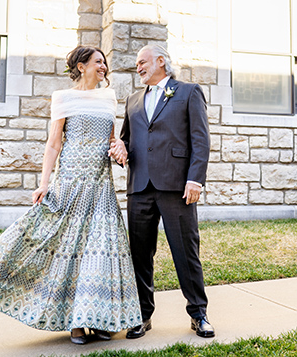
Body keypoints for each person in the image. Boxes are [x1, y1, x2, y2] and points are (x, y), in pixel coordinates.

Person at [0, 45, 141, 345]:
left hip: (100, 185)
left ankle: (96, 319)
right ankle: (74, 323)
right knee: (69, 250)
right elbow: (53, 144)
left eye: (104, 63)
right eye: (98, 62)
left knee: (100, 251)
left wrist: (119, 149)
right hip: (70, 182)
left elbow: (112, 140)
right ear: (81, 66)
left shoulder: (108, 98)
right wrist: (44, 183)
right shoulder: (63, 98)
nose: (104, 67)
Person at [109, 45, 215, 338]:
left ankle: (198, 313)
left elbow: (201, 140)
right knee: (140, 255)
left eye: (142, 62)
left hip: (177, 188)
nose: (138, 67)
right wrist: (120, 149)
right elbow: (127, 141)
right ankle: (142, 315)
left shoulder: (189, 92)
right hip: (140, 187)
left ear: (160, 61)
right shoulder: (132, 100)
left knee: (186, 252)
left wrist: (195, 179)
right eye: (136, 64)